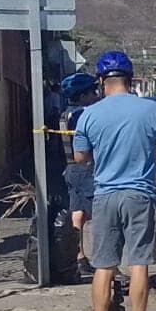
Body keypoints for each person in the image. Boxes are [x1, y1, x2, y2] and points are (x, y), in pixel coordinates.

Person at [72, 51, 156, 311]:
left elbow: (80, 157)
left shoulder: (89, 114)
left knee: (104, 265)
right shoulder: (150, 108)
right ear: (131, 79)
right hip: (140, 194)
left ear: (102, 82)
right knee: (138, 262)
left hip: (104, 196)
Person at [59, 72, 101, 276]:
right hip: (85, 167)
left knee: (78, 212)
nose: (96, 95)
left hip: (71, 168)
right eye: (92, 91)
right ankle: (99, 259)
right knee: (97, 212)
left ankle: (78, 256)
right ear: (82, 95)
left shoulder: (64, 113)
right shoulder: (81, 115)